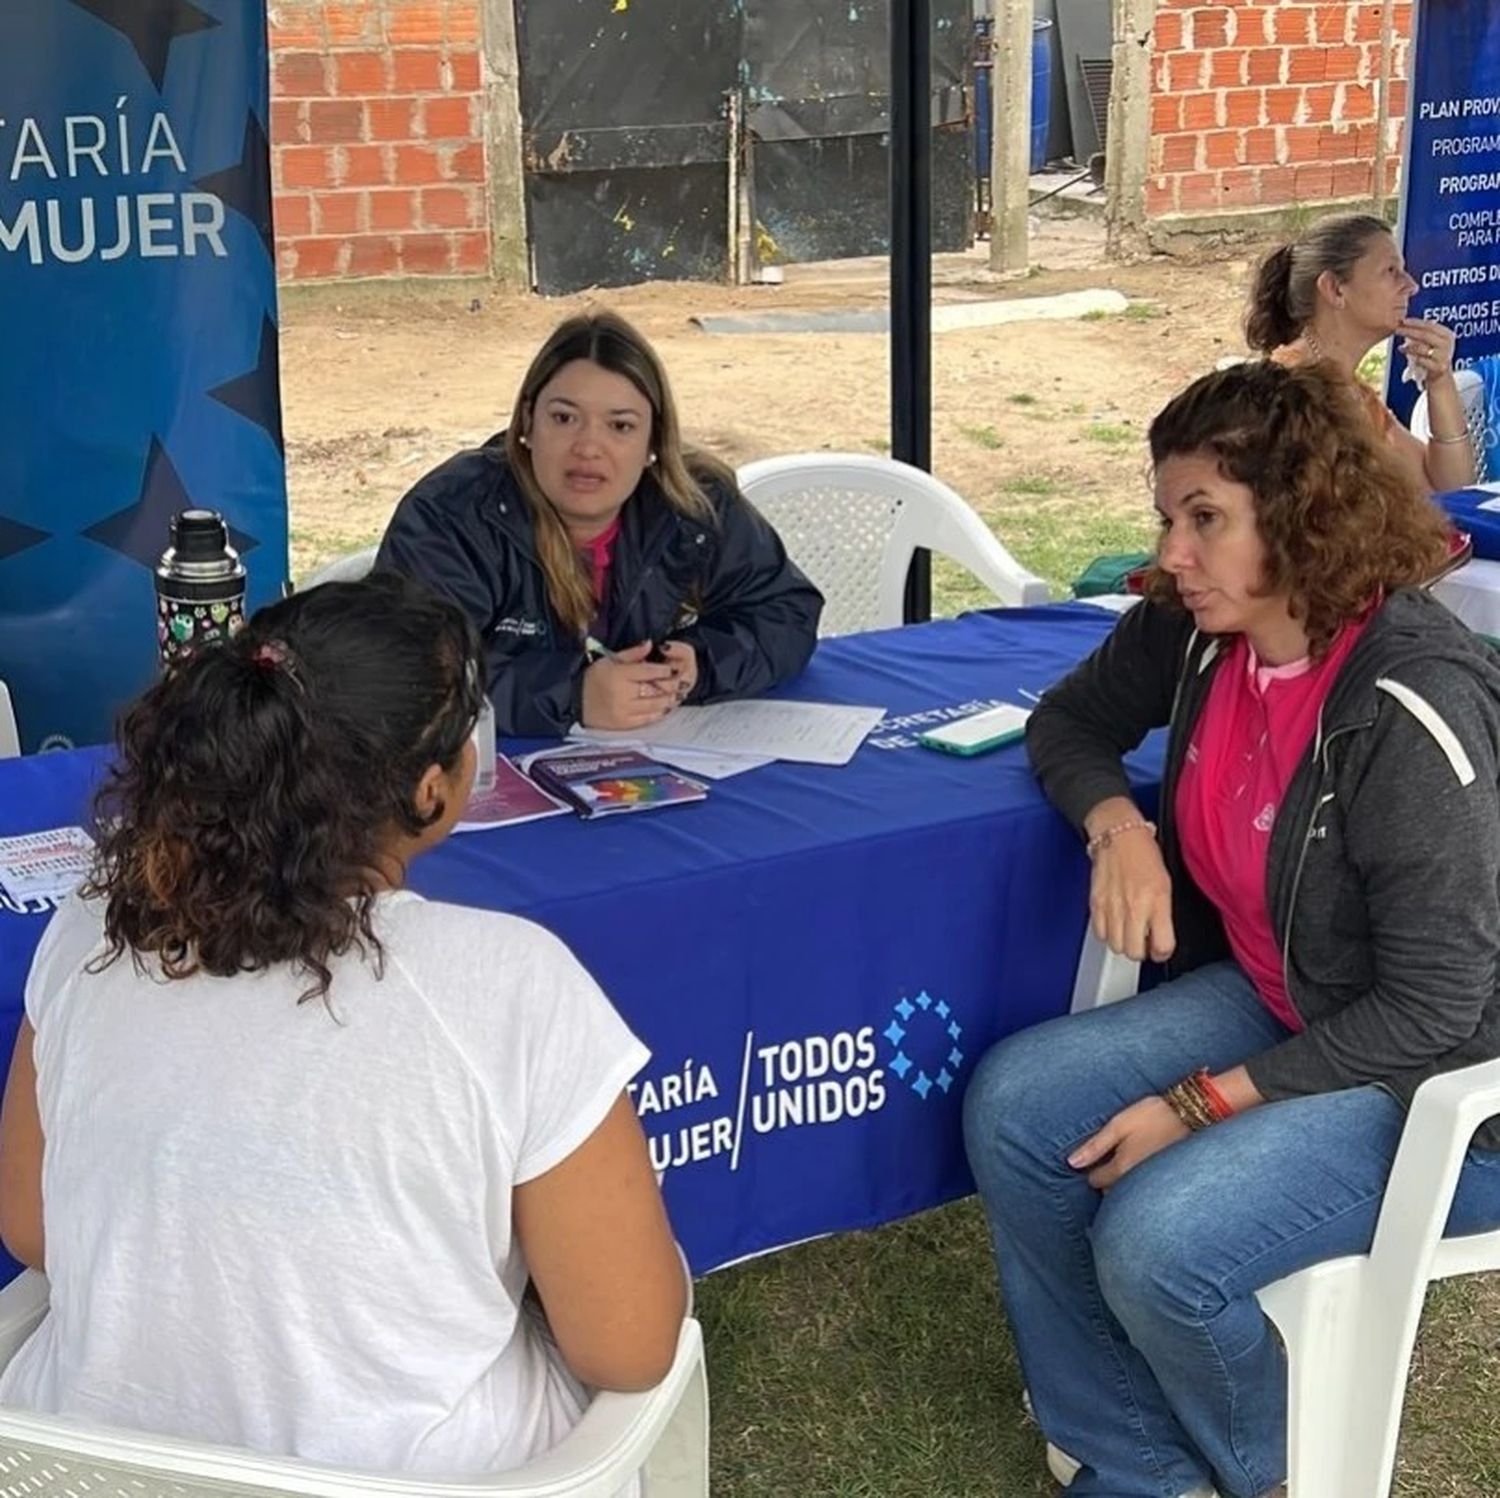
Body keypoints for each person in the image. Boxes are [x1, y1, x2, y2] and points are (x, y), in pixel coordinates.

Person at [0, 574, 686, 1480]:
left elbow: (33, 1227)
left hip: (87, 1469)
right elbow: (629, 1343)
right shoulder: (509, 981)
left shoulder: (90, 927)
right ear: (433, 789)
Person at [962, 361, 1500, 1498]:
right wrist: (1118, 826)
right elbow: (1071, 719)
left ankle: (1278, 1475)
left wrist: (1198, 1102)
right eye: (1167, 516)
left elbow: (1437, 1005)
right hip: (1289, 988)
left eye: (1205, 518)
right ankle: (1142, 1462)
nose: (1171, 554)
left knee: (1162, 1243)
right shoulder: (1199, 628)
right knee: (1018, 1106)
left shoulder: (1410, 700)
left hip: (1450, 1079)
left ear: (1303, 516)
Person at [376, 310, 823, 736]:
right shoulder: (454, 511)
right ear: (528, 422)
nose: (589, 447)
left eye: (621, 426)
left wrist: (700, 664)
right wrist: (573, 694)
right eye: (564, 418)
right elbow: (408, 670)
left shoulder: (694, 505)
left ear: (654, 441)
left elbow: (786, 613)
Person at [1244, 210, 1478, 494]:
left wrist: (1439, 381)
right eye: (1391, 271)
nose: (1411, 286)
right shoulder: (1287, 392)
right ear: (1334, 289)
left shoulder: (1354, 393)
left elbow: (1450, 488)